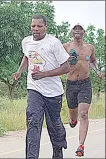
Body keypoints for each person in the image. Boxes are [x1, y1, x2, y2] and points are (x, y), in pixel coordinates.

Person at [12, 14, 70, 159]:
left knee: (54, 125)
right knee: (33, 121)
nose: (36, 29)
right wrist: (19, 71)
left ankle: (58, 149)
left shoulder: (53, 43)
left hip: (53, 92)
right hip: (34, 88)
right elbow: (27, 56)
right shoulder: (26, 41)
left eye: (39, 26)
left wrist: (45, 74)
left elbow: (66, 67)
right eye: (33, 26)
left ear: (46, 27)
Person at [63, 23, 105, 157]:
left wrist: (97, 70)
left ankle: (81, 145)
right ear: (71, 32)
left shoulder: (90, 48)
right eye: (75, 29)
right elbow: (58, 61)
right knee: (74, 115)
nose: (77, 31)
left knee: (84, 114)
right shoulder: (66, 47)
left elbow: (92, 61)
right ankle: (72, 120)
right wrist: (66, 61)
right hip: (71, 83)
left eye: (80, 29)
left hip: (85, 84)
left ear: (84, 32)